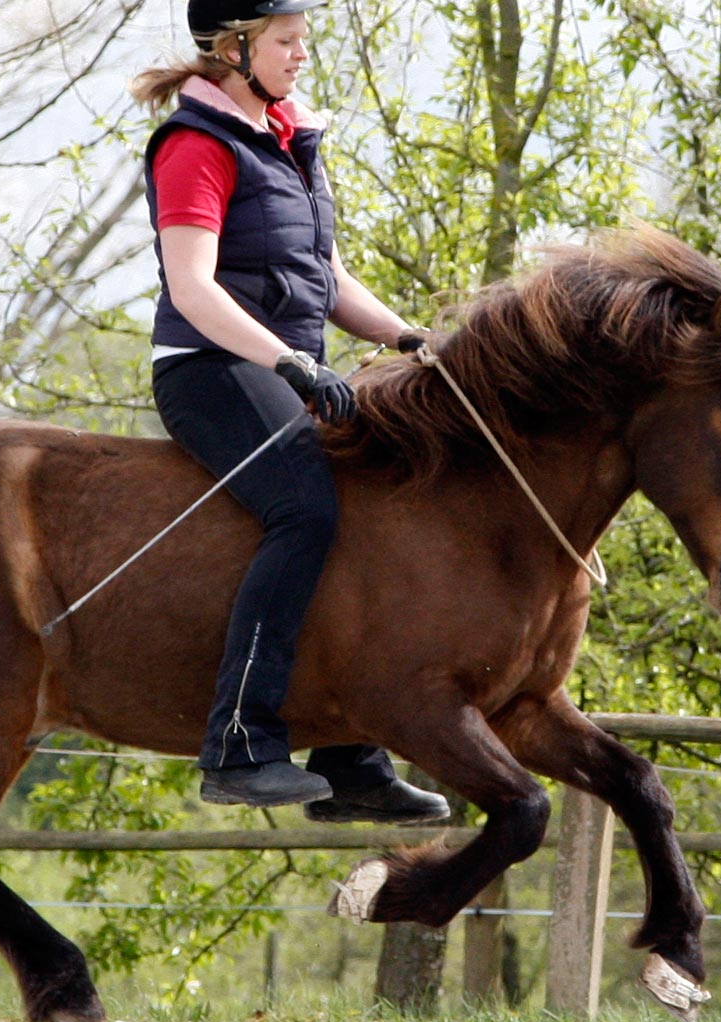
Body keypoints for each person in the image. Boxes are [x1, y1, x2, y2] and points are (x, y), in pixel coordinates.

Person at [130, 0, 449, 822]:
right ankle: (238, 744)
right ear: (234, 48)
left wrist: (409, 336)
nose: (301, 54)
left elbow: (329, 280)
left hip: (287, 367)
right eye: (286, 41)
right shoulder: (197, 146)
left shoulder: (289, 138)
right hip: (210, 368)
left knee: (379, 495)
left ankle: (351, 763)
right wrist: (293, 362)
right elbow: (194, 289)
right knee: (305, 509)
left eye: (303, 40)